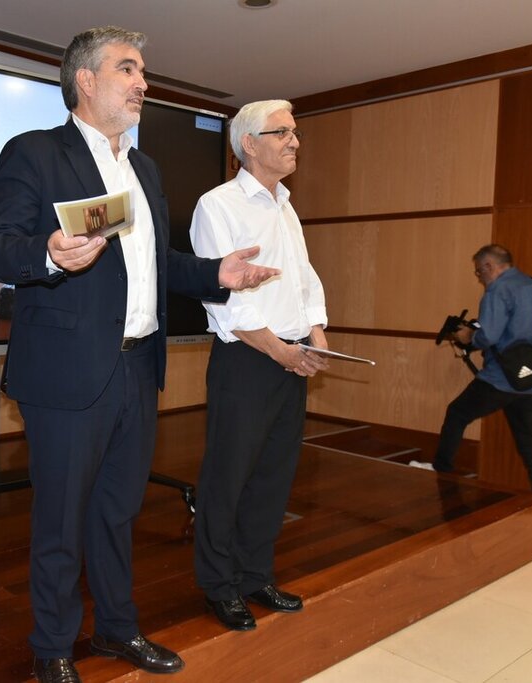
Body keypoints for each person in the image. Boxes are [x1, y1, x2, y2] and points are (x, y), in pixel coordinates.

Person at [0, 27, 279, 683]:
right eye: (128, 69)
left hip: (138, 368)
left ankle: (117, 628)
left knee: (117, 512)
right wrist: (48, 253)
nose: (143, 83)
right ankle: (53, 646)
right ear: (85, 80)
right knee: (61, 519)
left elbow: (154, 262)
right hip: (66, 371)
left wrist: (215, 273)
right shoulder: (36, 152)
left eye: (143, 72)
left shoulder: (143, 169)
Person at [189, 100, 329, 632]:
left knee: (273, 475)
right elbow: (227, 300)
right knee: (228, 478)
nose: (295, 141)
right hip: (248, 361)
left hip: (292, 356)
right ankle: (219, 586)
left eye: (295, 132)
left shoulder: (285, 205)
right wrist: (280, 350)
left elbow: (305, 278)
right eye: (282, 133)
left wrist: (315, 335)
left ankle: (254, 576)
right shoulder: (217, 205)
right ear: (248, 144)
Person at [410, 244, 532, 534]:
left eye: (479, 273)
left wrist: (467, 336)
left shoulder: (498, 290)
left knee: (457, 413)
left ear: (490, 266)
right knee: (531, 443)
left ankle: (442, 469)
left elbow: (488, 336)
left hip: (501, 378)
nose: (479, 278)